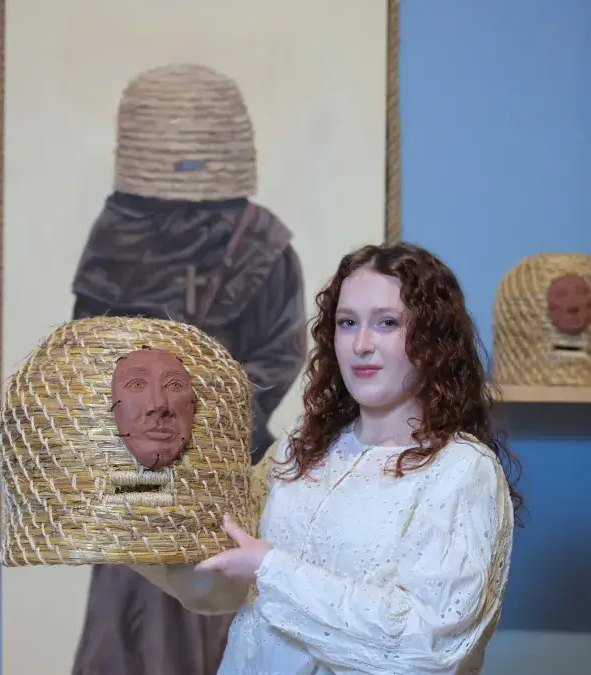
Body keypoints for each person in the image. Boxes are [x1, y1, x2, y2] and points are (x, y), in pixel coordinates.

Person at [130, 242, 526, 674]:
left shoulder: (460, 470)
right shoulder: (303, 445)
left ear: (434, 339)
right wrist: (133, 515)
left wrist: (271, 570)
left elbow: (430, 643)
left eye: (387, 323)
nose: (361, 344)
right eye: (347, 322)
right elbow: (222, 572)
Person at [68, 64, 309, 675]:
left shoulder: (263, 246)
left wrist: (208, 419)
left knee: (222, 606)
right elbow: (88, 348)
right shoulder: (117, 235)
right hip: (134, 471)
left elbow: (280, 352)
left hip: (225, 465)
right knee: (130, 617)